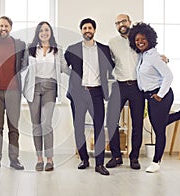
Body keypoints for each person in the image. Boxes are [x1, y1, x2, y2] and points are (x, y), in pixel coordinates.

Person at [105, 14, 180, 170]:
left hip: (137, 88)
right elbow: (109, 62)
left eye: (124, 21)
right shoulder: (112, 43)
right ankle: (116, 156)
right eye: (118, 22)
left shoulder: (138, 42)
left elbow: (152, 56)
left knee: (137, 123)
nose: (121, 24)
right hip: (119, 85)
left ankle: (134, 158)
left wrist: (164, 58)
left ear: (129, 22)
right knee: (111, 121)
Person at [128, 22, 180, 173]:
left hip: (160, 96)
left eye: (143, 39)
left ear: (150, 39)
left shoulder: (153, 56)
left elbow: (169, 76)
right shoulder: (143, 55)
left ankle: (156, 162)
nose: (140, 42)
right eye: (137, 39)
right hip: (150, 96)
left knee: (159, 130)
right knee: (158, 124)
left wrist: (159, 95)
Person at [64, 18, 114, 176]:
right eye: (84, 28)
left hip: (97, 92)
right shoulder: (72, 49)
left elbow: (113, 68)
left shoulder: (104, 49)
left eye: (90, 28)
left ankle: (99, 164)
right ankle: (84, 159)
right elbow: (63, 67)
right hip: (78, 93)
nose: (87, 30)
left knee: (99, 127)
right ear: (81, 31)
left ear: (94, 30)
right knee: (78, 127)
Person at [23, 22, 70, 171]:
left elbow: (64, 68)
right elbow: (22, 66)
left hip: (50, 88)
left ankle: (50, 159)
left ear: (51, 33)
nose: (44, 33)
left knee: (46, 124)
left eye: (47, 30)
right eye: (41, 30)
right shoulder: (30, 49)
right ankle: (39, 159)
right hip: (33, 88)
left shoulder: (57, 49)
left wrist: (80, 73)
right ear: (37, 33)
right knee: (36, 125)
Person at [0, 16, 27, 170]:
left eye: (6, 26)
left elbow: (25, 63)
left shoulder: (20, 44)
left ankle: (14, 159)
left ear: (11, 27)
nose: (4, 28)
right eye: (1, 26)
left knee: (13, 127)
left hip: (13, 91)